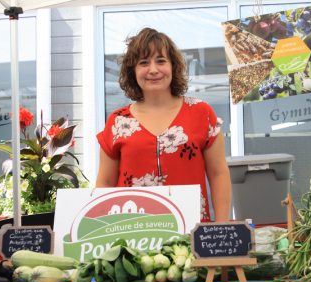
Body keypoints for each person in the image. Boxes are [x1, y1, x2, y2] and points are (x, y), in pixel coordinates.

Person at [96, 27, 231, 222]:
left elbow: (218, 173)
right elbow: (105, 182)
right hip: (131, 232)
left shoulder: (202, 113)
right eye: (143, 62)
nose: (153, 70)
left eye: (161, 61)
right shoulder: (117, 122)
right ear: (132, 71)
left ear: (173, 66)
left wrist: (221, 225)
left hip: (192, 231)